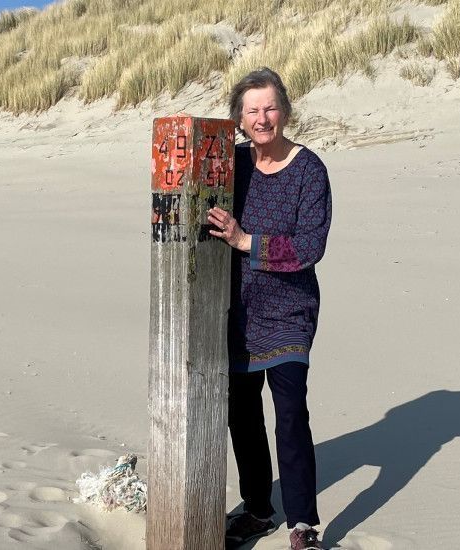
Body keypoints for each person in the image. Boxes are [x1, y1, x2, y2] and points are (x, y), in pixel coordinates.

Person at [205, 67, 332, 550]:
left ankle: (303, 524)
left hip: (289, 313)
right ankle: (257, 509)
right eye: (252, 110)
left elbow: (309, 247)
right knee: (242, 414)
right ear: (239, 119)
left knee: (290, 413)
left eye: (270, 107)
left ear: (285, 110)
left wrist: (244, 241)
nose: (263, 118)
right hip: (235, 313)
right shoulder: (231, 164)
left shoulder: (309, 170)